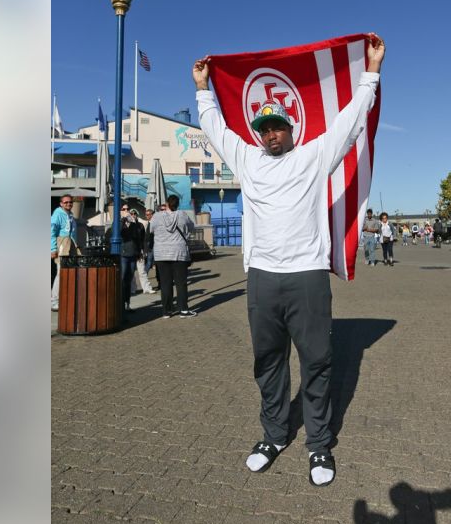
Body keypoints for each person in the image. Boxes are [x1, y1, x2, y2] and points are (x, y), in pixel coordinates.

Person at [193, 32, 385, 488]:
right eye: (264, 128)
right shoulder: (246, 160)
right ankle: (274, 435)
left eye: (278, 126)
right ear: (257, 133)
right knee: (268, 361)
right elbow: (216, 130)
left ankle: (319, 444)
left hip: (307, 278)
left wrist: (371, 72)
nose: (271, 133)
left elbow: (350, 122)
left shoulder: (315, 156)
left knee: (317, 362)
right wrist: (202, 88)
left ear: (291, 128)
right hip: (262, 279)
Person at [148, 194, 195, 318]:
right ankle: (183, 310)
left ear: (167, 204)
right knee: (181, 283)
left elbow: (151, 230)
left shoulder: (156, 216)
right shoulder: (183, 215)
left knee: (165, 283)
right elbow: (191, 227)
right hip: (179, 253)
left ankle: (166, 311)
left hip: (161, 254)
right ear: (178, 204)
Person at [118, 204, 146, 312]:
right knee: (123, 278)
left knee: (129, 280)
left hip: (133, 254)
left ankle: (127, 304)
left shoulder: (134, 224)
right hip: (123, 254)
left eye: (128, 209)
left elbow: (138, 238)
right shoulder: (119, 222)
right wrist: (123, 219)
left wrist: (139, 252)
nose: (127, 211)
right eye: (123, 209)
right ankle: (120, 304)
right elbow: (118, 232)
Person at [50, 195, 76, 311]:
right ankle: (54, 301)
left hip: (71, 244)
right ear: (61, 203)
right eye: (66, 202)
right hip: (62, 244)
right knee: (60, 273)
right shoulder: (57, 214)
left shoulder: (70, 215)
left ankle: (65, 298)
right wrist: (53, 249)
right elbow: (51, 231)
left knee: (69, 273)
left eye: (70, 202)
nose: (68, 204)